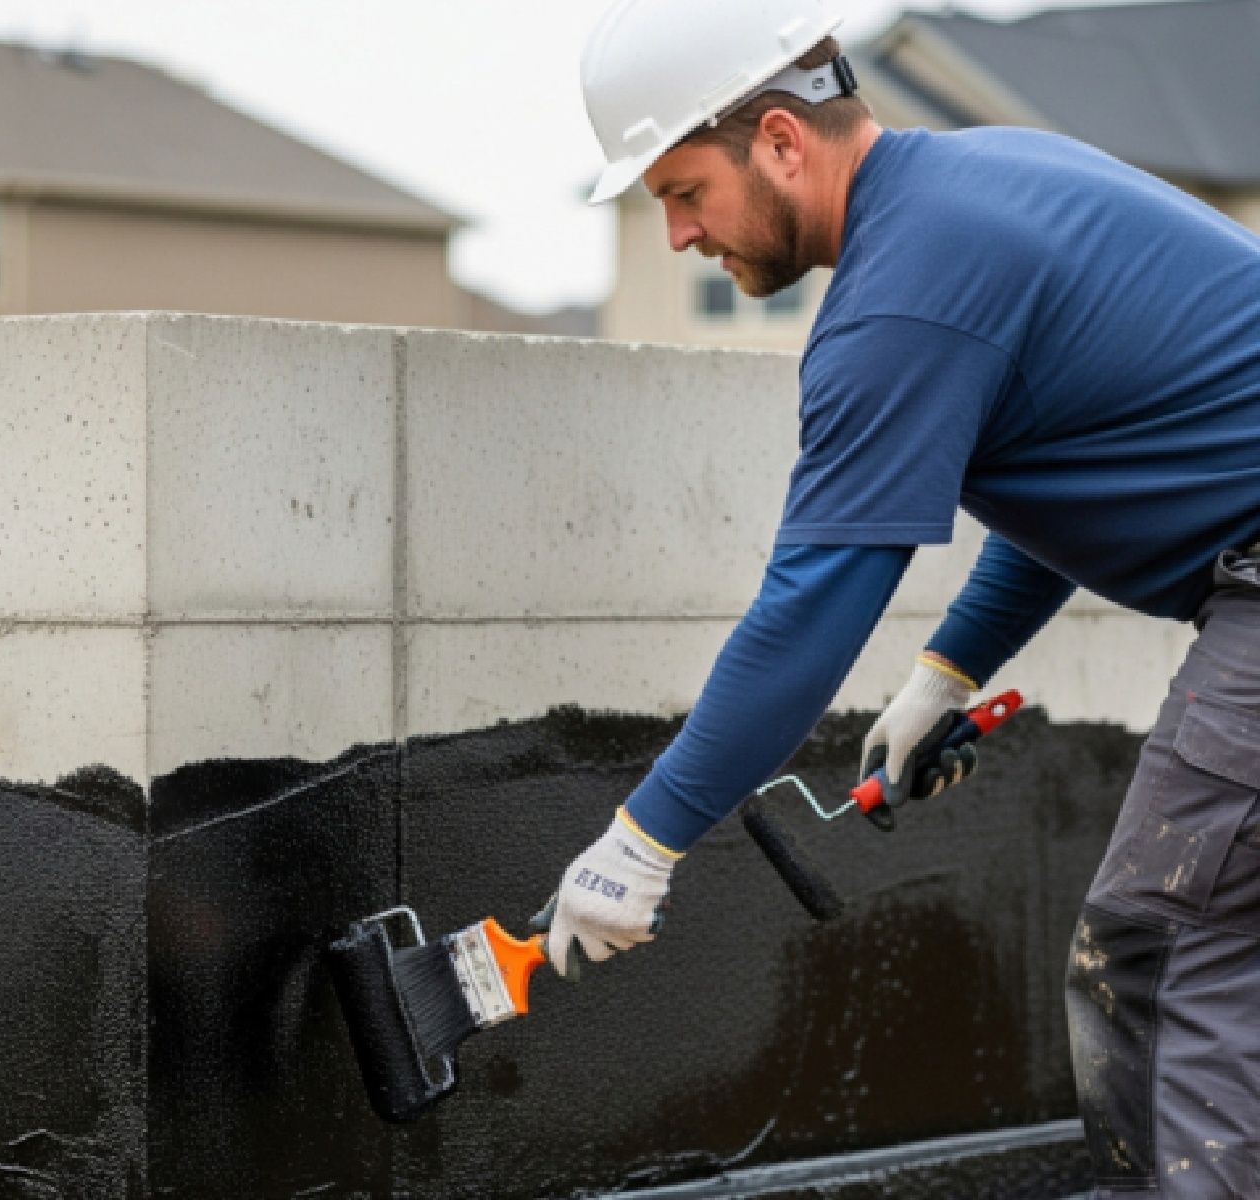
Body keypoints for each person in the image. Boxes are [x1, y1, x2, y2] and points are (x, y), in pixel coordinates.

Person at [531, 0, 1260, 1195]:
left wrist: (642, 841)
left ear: (777, 140)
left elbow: (813, 604)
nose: (673, 237)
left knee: (1157, 946)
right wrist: (949, 672)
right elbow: (1081, 475)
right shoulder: (971, 190)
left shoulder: (900, 298)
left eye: (680, 191)